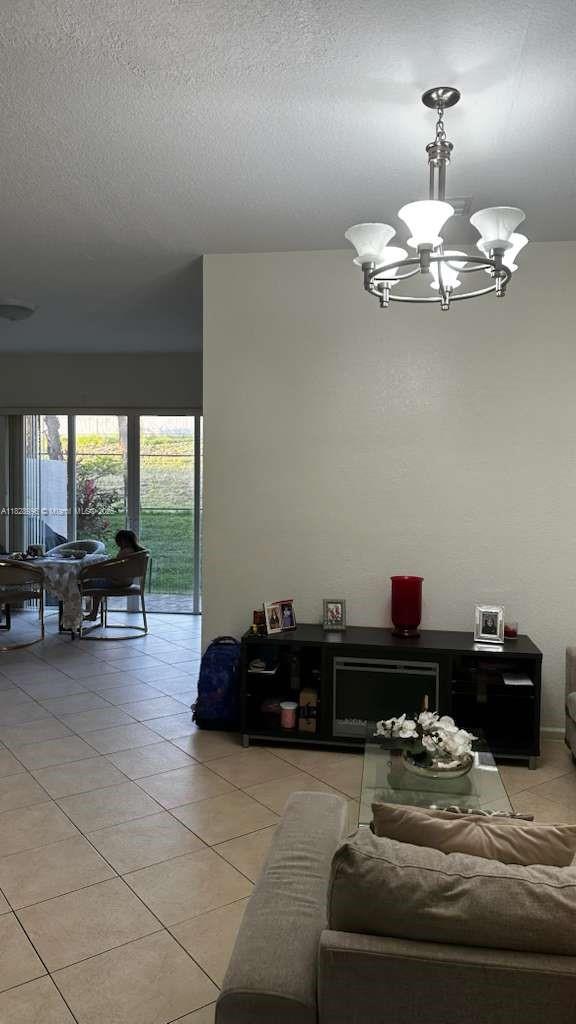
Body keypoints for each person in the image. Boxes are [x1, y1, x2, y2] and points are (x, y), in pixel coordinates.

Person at [85, 530, 145, 621]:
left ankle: (91, 613)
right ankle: (94, 613)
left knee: (88, 584)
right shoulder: (138, 551)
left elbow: (114, 567)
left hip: (117, 583)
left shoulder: (124, 552)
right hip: (128, 582)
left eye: (118, 541)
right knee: (98, 583)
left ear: (123, 541)